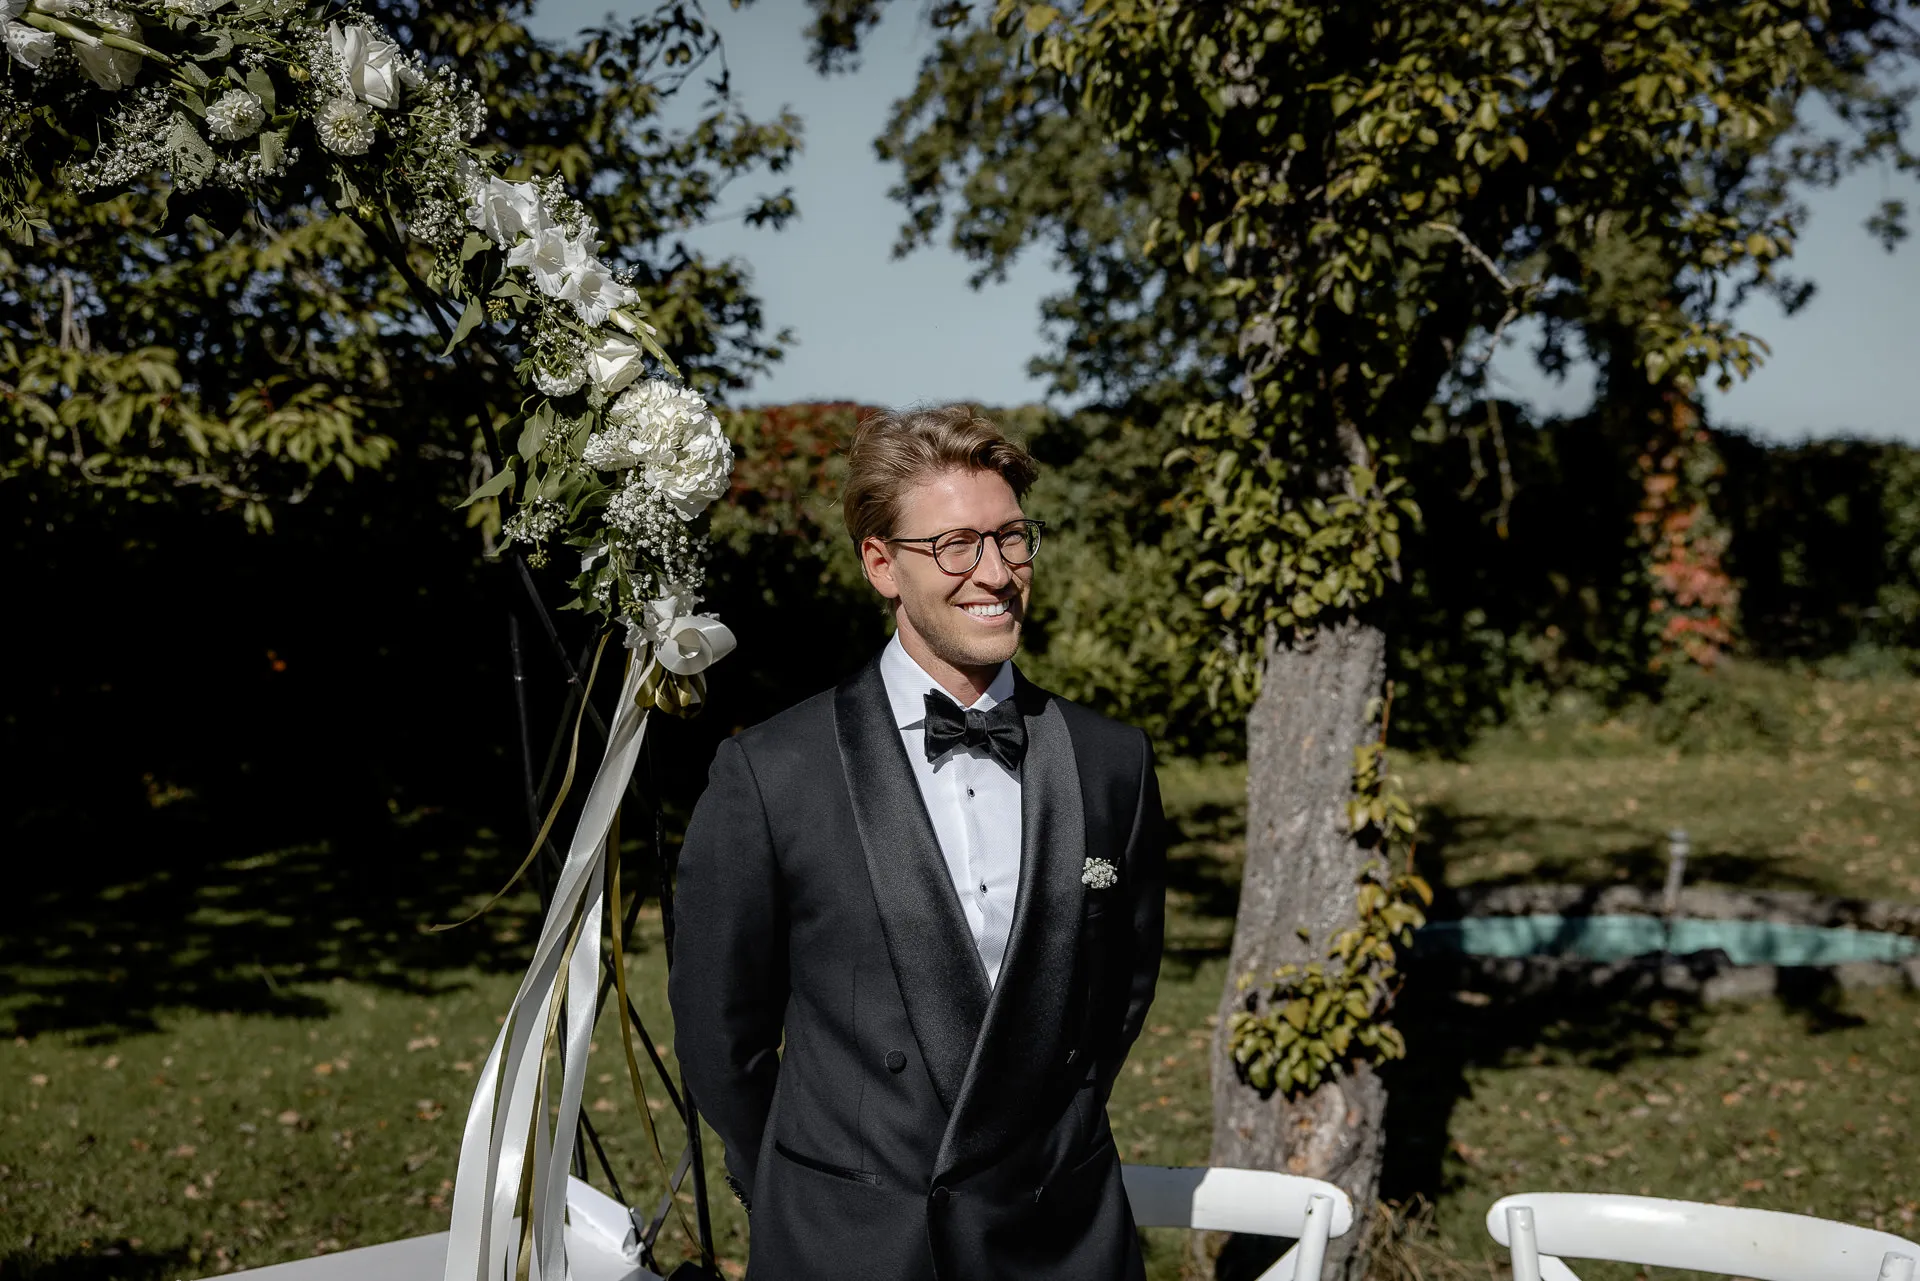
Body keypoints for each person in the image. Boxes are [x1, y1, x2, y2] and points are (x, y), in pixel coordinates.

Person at [668, 405, 1166, 1280]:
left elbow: (1118, 995)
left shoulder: (1111, 759)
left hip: (1060, 1235)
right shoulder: (770, 774)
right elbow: (720, 1035)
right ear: (881, 565)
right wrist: (813, 1188)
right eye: (957, 545)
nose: (997, 571)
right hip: (854, 1242)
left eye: (1013, 538)